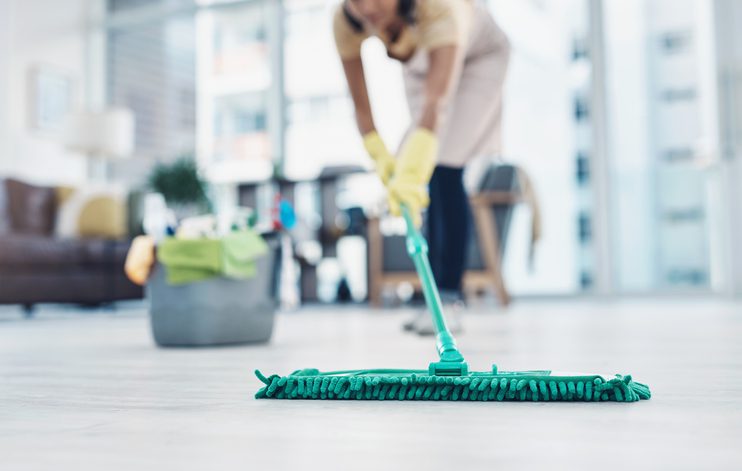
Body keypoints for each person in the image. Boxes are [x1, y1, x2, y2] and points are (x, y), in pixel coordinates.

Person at [333, 0, 510, 334]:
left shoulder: (440, 6)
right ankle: (432, 300)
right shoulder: (346, 21)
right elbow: (361, 109)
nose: (367, 7)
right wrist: (382, 158)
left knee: (444, 164)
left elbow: (436, 104)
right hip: (426, 61)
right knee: (424, 177)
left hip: (480, 59)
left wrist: (414, 164)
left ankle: (449, 297)